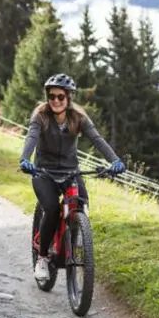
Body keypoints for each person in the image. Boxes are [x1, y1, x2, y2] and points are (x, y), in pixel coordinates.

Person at [19, 73, 125, 282]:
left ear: (68, 98)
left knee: (82, 202)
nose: (55, 101)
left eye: (60, 96)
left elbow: (97, 140)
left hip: (71, 172)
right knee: (51, 208)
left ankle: (77, 236)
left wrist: (115, 160)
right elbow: (31, 137)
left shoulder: (78, 117)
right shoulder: (40, 116)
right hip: (44, 172)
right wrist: (25, 159)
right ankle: (42, 258)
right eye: (52, 96)